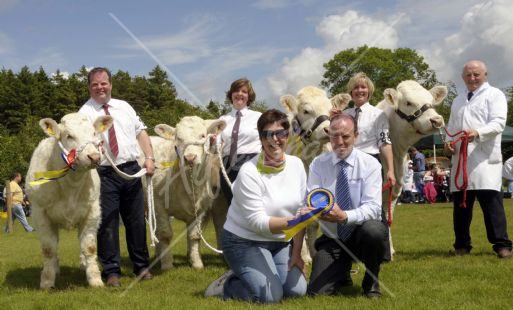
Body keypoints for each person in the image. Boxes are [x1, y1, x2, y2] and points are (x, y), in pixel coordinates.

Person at [205, 109, 307, 303]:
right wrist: (296, 220)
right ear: (260, 138)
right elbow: (258, 222)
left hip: (279, 242)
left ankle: (251, 273)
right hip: (243, 241)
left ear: (288, 135)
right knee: (269, 297)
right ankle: (229, 285)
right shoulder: (248, 171)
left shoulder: (297, 165)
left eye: (281, 133)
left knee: (297, 291)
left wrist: (296, 254)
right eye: (268, 134)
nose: (275, 139)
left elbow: (302, 209)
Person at [78, 67, 155, 286]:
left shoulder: (125, 107)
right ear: (89, 87)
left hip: (131, 169)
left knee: (137, 221)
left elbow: (141, 132)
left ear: (110, 84)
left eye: (103, 83)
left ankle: (141, 266)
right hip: (103, 173)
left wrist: (149, 157)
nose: (100, 87)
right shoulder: (84, 113)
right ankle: (111, 271)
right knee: (108, 223)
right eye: (95, 84)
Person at [306, 113, 387, 298]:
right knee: (316, 294)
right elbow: (312, 197)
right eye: (334, 135)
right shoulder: (318, 164)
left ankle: (371, 282)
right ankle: (342, 272)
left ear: (356, 136)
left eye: (346, 136)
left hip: (362, 234)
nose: (339, 141)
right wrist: (316, 210)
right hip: (333, 238)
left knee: (374, 230)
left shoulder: (371, 164)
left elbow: (374, 208)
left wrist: (345, 217)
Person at [445, 60, 512, 259]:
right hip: (461, 160)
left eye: (476, 74)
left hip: (484, 159)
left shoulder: (495, 95)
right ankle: (462, 244)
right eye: (468, 75)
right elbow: (451, 127)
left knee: (492, 206)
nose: (472, 78)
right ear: (462, 77)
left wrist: (478, 132)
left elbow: (498, 123)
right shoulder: (458, 100)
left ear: (485, 74)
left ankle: (502, 244)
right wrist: (449, 143)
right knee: (461, 208)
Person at [218, 78, 262, 205]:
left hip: (252, 164)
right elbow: (217, 144)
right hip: (227, 168)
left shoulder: (258, 117)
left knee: (253, 205)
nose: (240, 94)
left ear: (249, 96)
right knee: (232, 207)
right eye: (236, 90)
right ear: (231, 94)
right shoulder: (223, 119)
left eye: (244, 91)